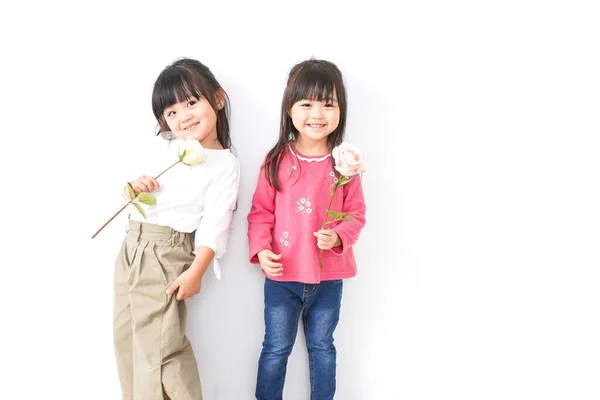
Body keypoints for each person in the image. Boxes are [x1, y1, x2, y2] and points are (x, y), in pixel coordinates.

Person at [113, 58, 240, 400]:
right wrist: (133, 187)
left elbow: (215, 226)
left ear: (217, 99)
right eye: (171, 112)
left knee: (161, 347)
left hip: (166, 253)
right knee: (128, 338)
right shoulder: (169, 148)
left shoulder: (224, 164)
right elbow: (135, 192)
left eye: (190, 102)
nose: (182, 116)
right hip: (131, 244)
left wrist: (196, 272)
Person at [247, 58, 366, 400]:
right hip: (282, 278)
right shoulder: (276, 160)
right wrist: (262, 249)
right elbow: (260, 212)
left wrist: (339, 236)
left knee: (323, 348)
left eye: (328, 104)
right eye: (307, 103)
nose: (317, 113)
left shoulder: (345, 165)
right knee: (275, 349)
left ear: (340, 110)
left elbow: (356, 214)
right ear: (290, 108)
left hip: (328, 277)